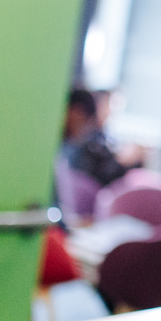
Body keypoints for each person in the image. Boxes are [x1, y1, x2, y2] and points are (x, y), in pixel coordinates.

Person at [56, 89, 129, 223]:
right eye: (86, 124)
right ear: (77, 114)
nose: (84, 132)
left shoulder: (65, 150)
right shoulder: (60, 150)